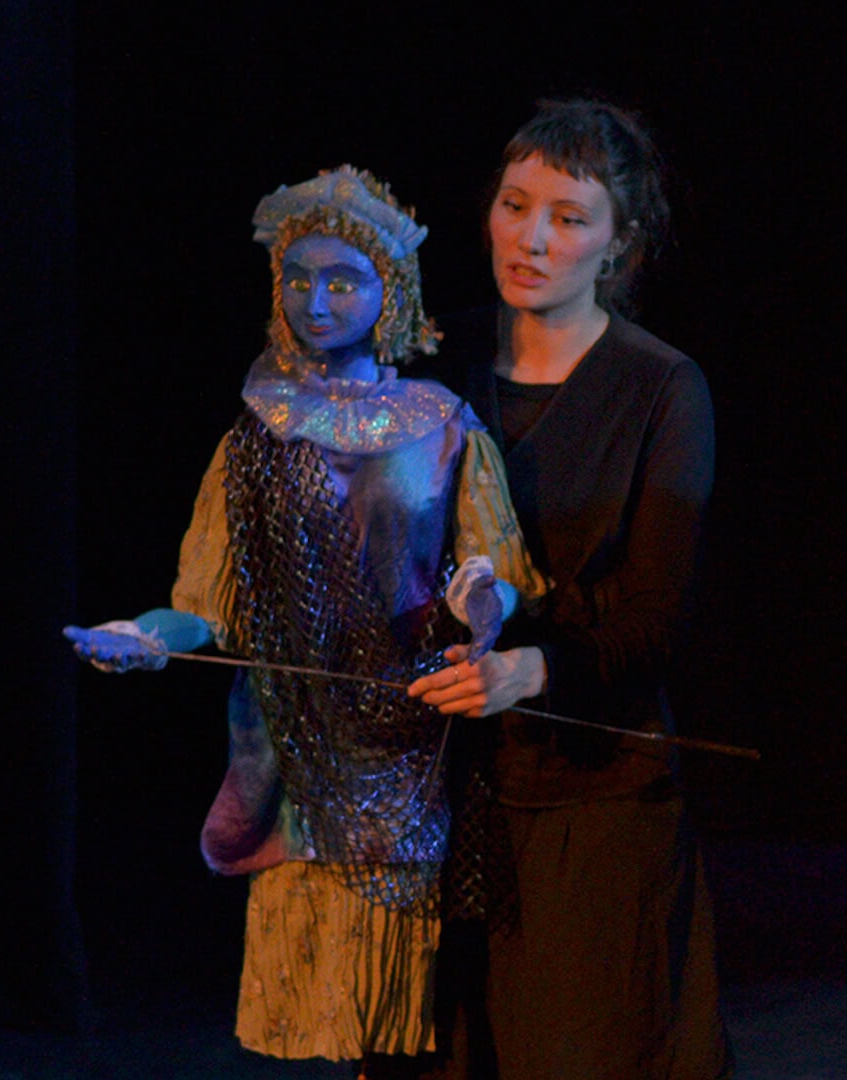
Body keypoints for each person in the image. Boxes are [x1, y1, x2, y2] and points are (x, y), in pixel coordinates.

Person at [65, 166, 543, 1079]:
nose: (316, 302)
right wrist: (146, 638)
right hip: (292, 745)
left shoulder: (440, 424)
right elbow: (205, 604)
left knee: (397, 1009)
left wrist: (483, 606)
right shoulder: (255, 432)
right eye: (298, 280)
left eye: (343, 281)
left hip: (402, 742)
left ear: (389, 290)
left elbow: (491, 563)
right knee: (319, 1007)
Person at [408, 99, 734, 1079]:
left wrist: (530, 671)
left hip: (593, 800)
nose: (533, 239)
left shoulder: (661, 388)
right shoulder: (434, 359)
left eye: (569, 217)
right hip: (436, 798)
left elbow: (656, 620)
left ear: (618, 243)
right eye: (515, 206)